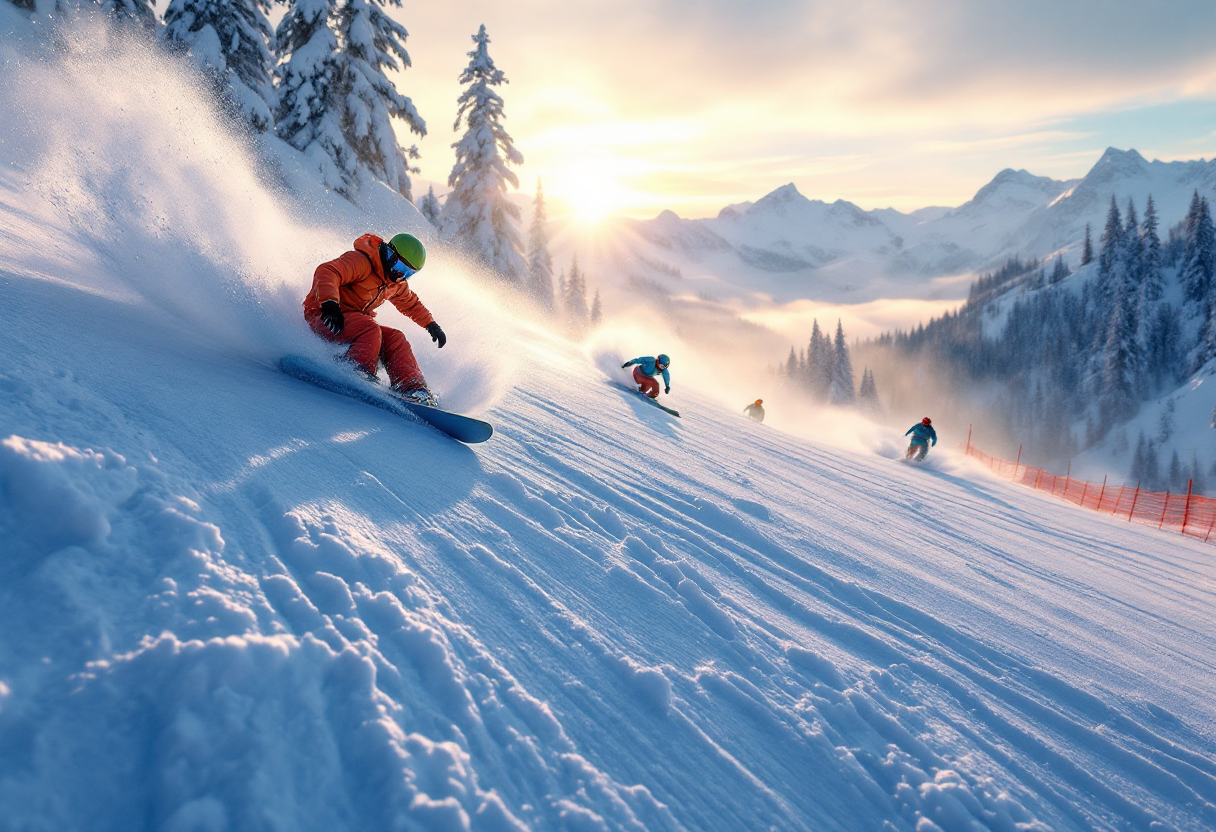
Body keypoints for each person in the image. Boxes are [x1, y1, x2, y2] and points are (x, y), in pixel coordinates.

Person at [303, 232, 446, 406]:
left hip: (355, 324)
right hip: (325, 316)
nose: (401, 275)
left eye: (408, 274)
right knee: (370, 328)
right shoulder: (362, 262)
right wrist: (330, 303)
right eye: (400, 267)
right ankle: (355, 370)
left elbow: (410, 303)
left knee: (396, 338)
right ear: (389, 254)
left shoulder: (395, 283)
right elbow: (328, 271)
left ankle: (412, 388)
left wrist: (431, 324)